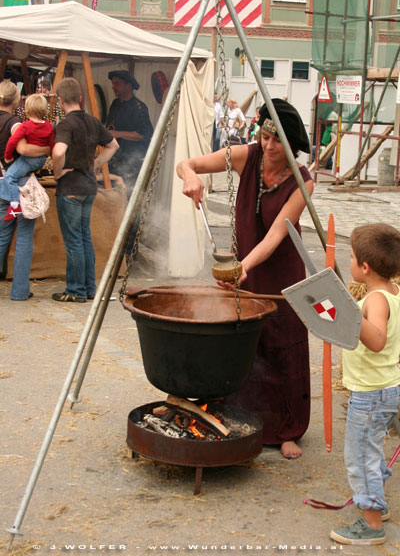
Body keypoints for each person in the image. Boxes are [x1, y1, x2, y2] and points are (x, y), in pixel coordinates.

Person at [177, 98, 313, 458]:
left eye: (278, 141)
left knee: (283, 348)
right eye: (266, 136)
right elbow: (186, 162)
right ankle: (243, 416)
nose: (269, 146)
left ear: (292, 145)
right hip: (245, 272)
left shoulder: (302, 181)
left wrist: (243, 267)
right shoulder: (246, 156)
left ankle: (287, 429)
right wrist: (190, 177)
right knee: (245, 346)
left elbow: (275, 236)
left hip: (282, 273)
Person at [330, 223, 400, 547]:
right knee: (370, 451)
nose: (350, 259)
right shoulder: (393, 293)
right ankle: (378, 505)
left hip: (370, 394)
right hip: (385, 388)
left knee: (359, 456)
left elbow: (377, 340)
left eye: (352, 256)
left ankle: (372, 524)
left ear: (365, 267)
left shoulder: (376, 300)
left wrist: (349, 315)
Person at [51, 77, 118, 303]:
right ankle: (89, 288)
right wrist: (97, 163)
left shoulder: (66, 124)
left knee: (74, 241)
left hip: (70, 188)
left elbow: (59, 152)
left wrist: (57, 172)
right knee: (84, 237)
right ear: (80, 98)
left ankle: (75, 290)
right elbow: (113, 145)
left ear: (60, 101)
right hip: (89, 187)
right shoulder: (92, 121)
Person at [0, 80, 52, 300]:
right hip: (19, 183)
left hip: (2, 181)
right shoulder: (14, 123)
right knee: (23, 237)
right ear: (16, 99)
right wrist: (47, 149)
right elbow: (23, 148)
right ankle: (20, 291)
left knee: (2, 236)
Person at [2, 93, 54, 221]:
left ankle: (14, 205)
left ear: (26, 110)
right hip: (41, 160)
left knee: (10, 176)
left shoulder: (25, 126)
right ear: (45, 111)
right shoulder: (49, 126)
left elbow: (13, 141)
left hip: (28, 159)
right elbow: (52, 143)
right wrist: (49, 154)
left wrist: (8, 155)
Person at [106, 70, 153, 194]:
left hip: (131, 162)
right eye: (113, 84)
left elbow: (143, 135)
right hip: (114, 159)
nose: (113, 87)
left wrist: (117, 134)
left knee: (128, 196)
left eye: (117, 84)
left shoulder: (139, 108)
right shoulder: (115, 104)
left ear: (128, 85)